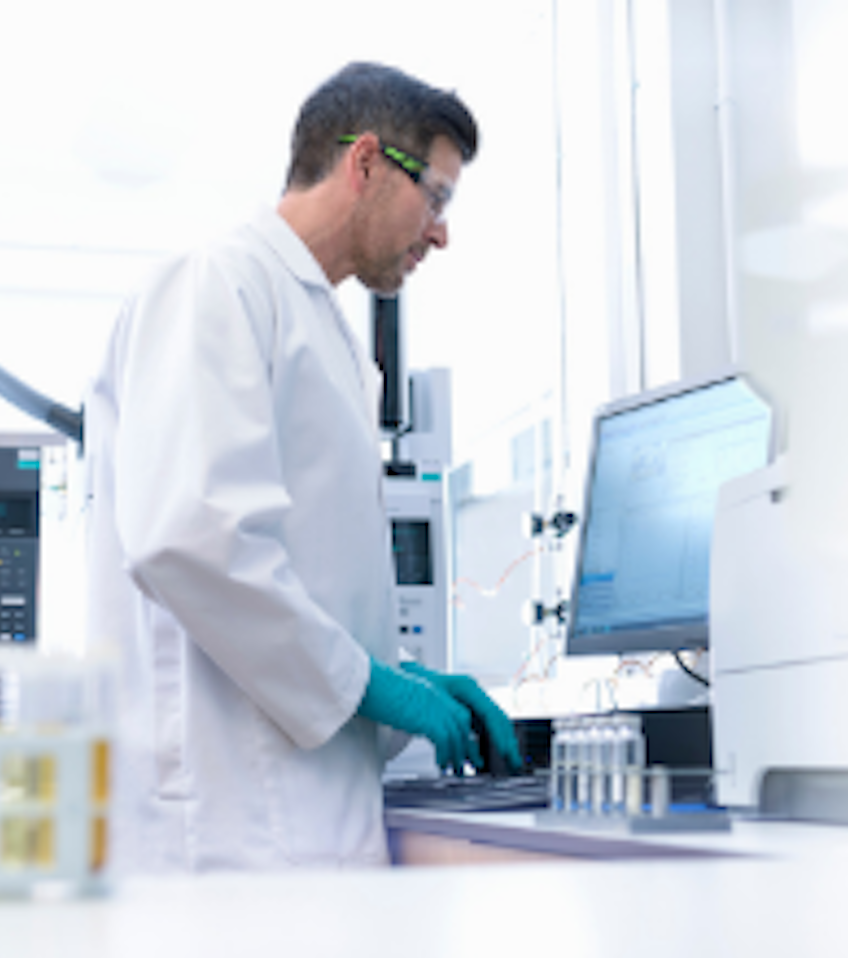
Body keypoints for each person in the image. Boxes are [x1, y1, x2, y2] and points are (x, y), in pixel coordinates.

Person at [85, 61, 522, 872]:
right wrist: (374, 686)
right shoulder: (218, 284)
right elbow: (191, 538)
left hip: (306, 813)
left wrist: (404, 682)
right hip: (226, 822)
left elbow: (313, 589)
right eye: (437, 197)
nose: (441, 232)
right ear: (363, 163)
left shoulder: (329, 335)